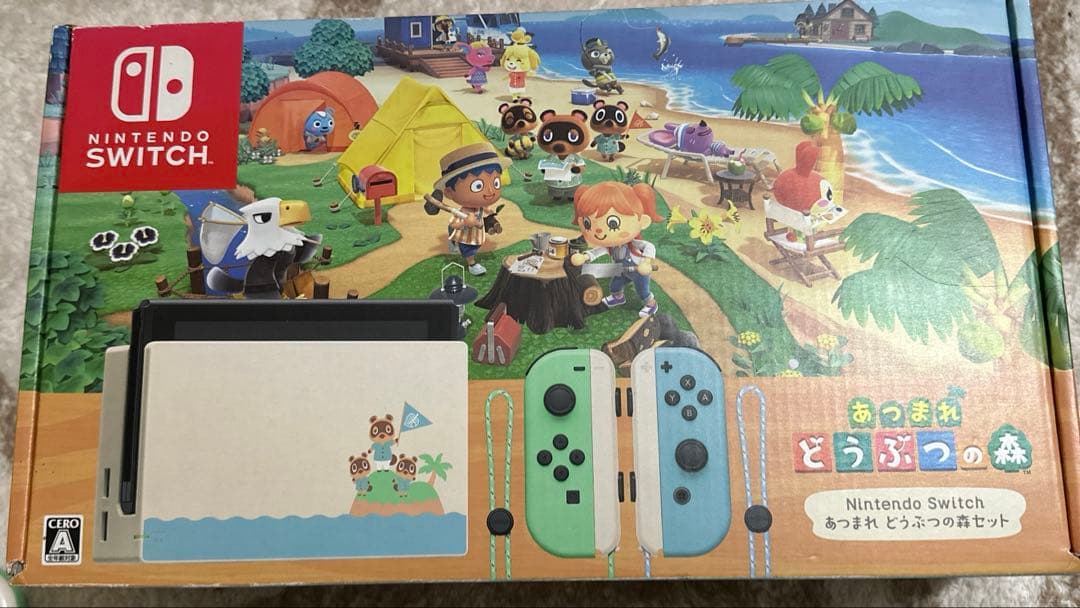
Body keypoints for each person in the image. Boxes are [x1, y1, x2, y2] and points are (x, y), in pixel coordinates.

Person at [570, 181, 664, 317]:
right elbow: (598, 251)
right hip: (622, 270)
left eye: (613, 224)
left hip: (639, 272)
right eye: (587, 224)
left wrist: (646, 262)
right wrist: (585, 256)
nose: (599, 231)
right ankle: (618, 297)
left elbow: (649, 246)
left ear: (642, 222)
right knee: (615, 285)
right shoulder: (611, 246)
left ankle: (651, 304)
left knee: (643, 291)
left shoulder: (633, 244)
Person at [426, 143, 510, 276]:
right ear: (449, 192)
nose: (490, 192)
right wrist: (465, 222)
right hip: (467, 235)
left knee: (476, 244)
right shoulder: (463, 212)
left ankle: (463, 244)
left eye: (495, 183)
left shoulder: (479, 207)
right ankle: (472, 264)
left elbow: (483, 210)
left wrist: (487, 212)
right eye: (478, 186)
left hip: (477, 233)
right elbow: (453, 224)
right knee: (469, 249)